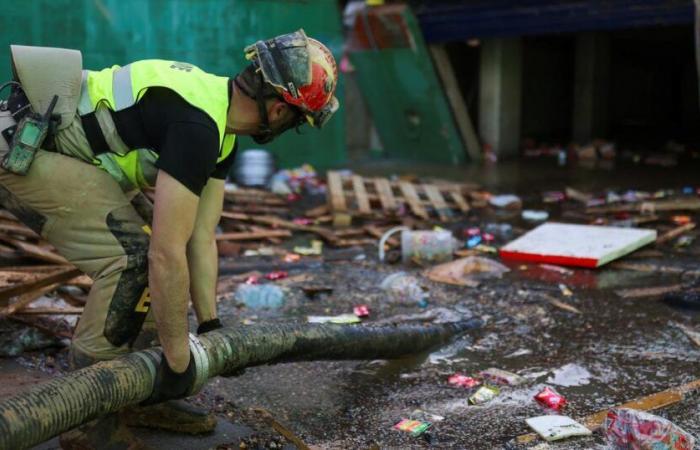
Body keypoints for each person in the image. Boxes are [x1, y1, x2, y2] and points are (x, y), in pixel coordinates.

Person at [0, 29, 338, 445]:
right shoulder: (197, 124)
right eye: (299, 121)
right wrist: (180, 360)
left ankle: (144, 395)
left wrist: (211, 324)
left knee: (146, 249)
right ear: (282, 110)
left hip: (58, 151)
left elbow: (200, 236)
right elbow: (165, 254)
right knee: (133, 259)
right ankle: (89, 424)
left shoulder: (219, 128)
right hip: (21, 149)